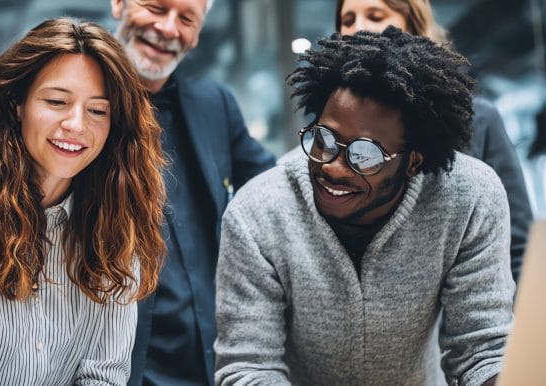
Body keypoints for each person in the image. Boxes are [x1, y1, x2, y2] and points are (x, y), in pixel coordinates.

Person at [214, 28, 515, 385]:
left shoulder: (469, 197)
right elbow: (248, 368)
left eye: (364, 155)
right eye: (323, 139)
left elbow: (481, 350)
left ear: (413, 161)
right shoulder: (258, 213)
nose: (332, 167)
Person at [0, 17, 167, 385]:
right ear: (17, 104)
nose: (76, 124)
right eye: (57, 101)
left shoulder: (117, 230)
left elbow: (103, 377)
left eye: (97, 110)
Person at [109, 1, 277, 384]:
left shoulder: (214, 103)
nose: (169, 29)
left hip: (212, 363)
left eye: (186, 19)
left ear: (198, 33)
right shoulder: (81, 102)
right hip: (118, 366)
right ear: (119, 4)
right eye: (156, 7)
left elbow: (274, 188)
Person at [336, 0, 532, 282]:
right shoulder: (332, 137)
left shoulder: (479, 120)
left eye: (376, 15)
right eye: (348, 20)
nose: (359, 28)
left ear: (413, 27)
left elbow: (517, 245)